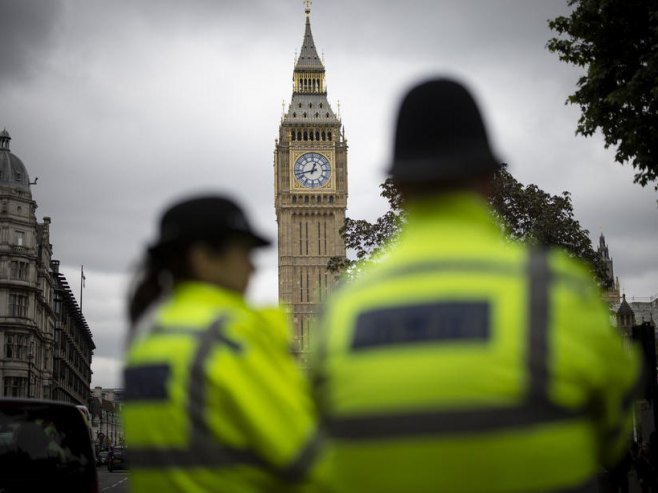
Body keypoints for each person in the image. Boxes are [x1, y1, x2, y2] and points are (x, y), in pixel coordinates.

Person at [310, 78, 643, 492]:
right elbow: (613, 435)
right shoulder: (559, 293)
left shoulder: (340, 313)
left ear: (398, 186)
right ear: (489, 178)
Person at [122, 194, 323, 493]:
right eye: (243, 253)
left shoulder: (146, 343)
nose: (252, 268)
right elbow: (312, 462)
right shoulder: (231, 338)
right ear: (203, 258)